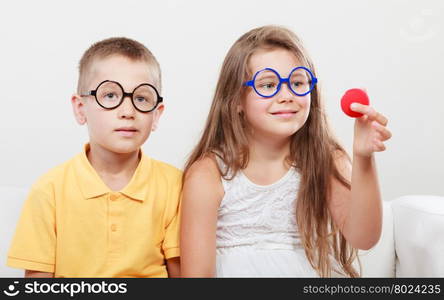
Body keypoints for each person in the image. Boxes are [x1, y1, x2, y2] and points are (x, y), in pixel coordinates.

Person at [180, 25, 392, 277]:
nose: (287, 95)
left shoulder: (325, 160)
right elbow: (197, 278)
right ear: (236, 99)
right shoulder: (209, 173)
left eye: (297, 82)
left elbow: (364, 237)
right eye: (268, 86)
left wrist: (363, 157)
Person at [7, 37, 181, 278]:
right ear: (80, 109)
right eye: (110, 96)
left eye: (141, 98)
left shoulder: (175, 185)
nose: (127, 112)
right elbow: (38, 281)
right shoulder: (49, 190)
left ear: (156, 115)